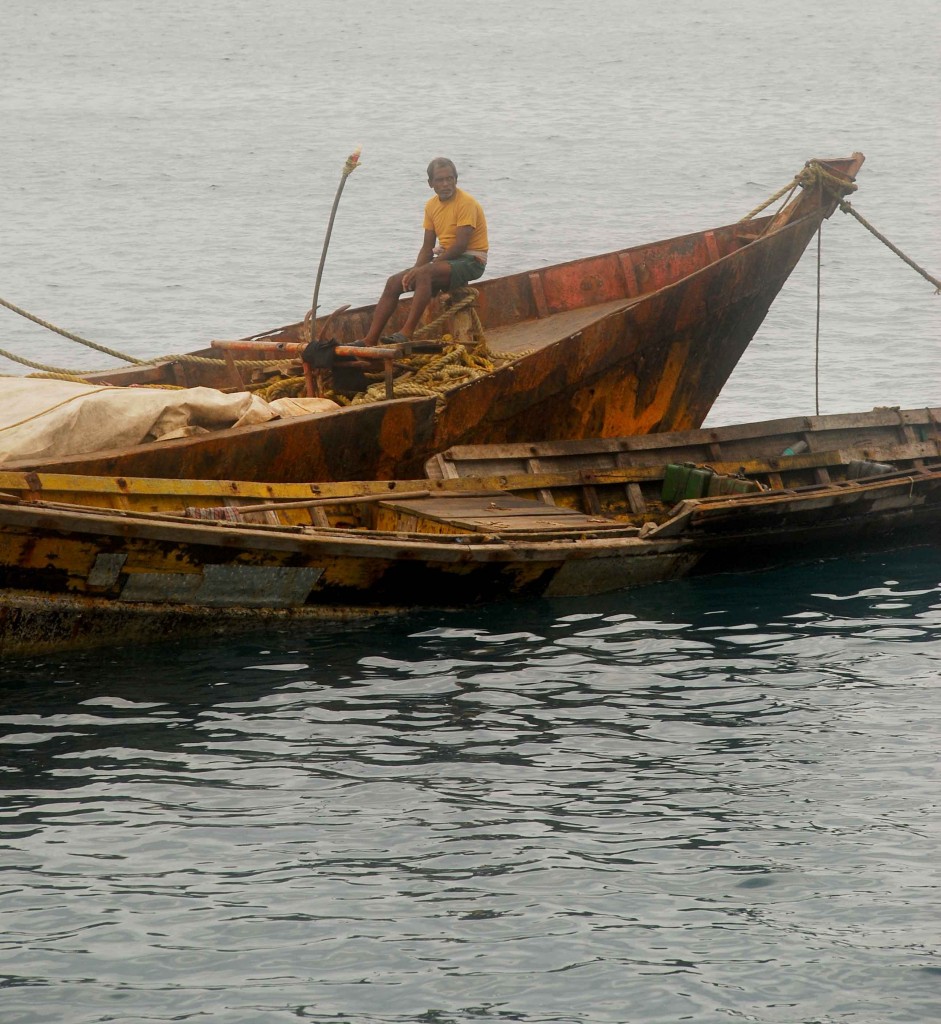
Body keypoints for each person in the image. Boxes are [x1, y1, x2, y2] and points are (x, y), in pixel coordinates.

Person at [358, 157, 488, 347]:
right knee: (394, 282)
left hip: (471, 260)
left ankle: (406, 332)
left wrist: (425, 268)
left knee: (425, 273)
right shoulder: (431, 206)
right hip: (446, 260)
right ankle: (369, 340)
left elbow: (460, 246)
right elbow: (427, 247)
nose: (445, 184)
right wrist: (415, 270)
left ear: (456, 179)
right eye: (440, 180)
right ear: (430, 183)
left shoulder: (466, 203)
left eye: (449, 179)